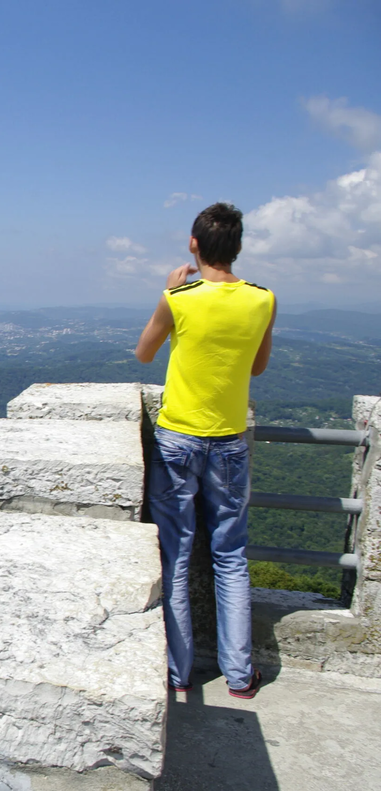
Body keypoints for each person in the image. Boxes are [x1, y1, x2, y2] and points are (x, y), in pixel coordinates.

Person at [134, 202, 276, 699]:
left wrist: (170, 295)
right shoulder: (263, 299)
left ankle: (178, 672)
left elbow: (144, 352)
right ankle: (240, 675)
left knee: (173, 554)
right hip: (230, 442)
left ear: (194, 245)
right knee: (230, 556)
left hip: (177, 438)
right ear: (237, 247)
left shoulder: (180, 297)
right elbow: (257, 368)